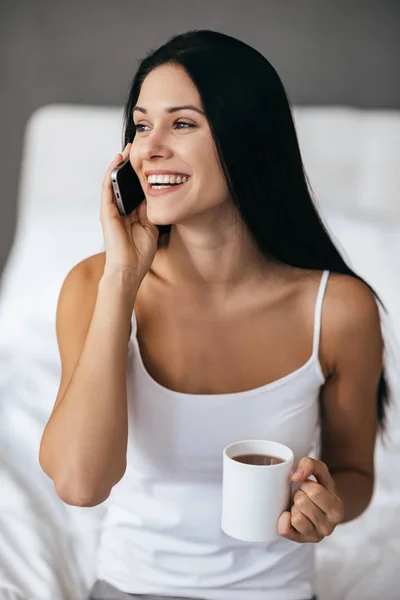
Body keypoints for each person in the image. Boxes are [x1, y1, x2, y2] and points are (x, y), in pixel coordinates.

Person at [39, 29, 390, 600]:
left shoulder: (340, 309)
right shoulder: (93, 285)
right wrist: (122, 283)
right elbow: (80, 484)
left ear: (246, 138)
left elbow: (355, 476)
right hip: (129, 588)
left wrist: (326, 504)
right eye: (141, 124)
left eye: (182, 123)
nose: (149, 148)